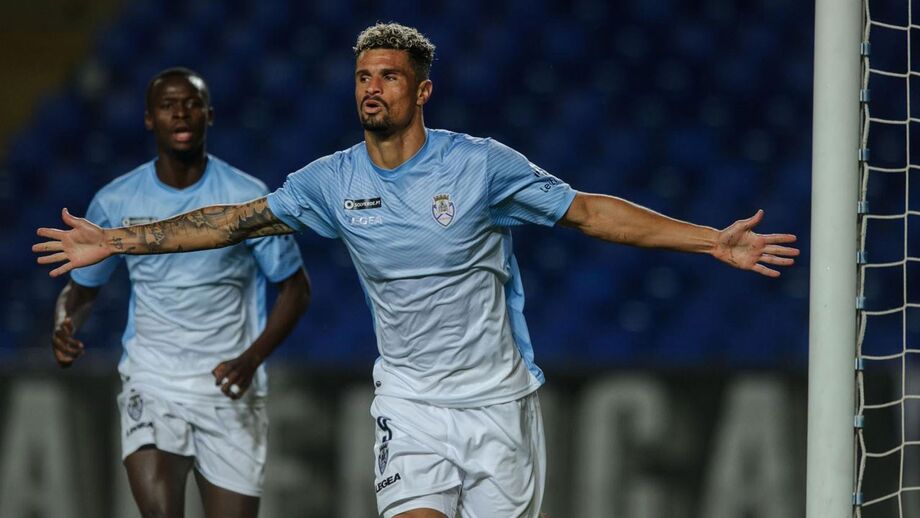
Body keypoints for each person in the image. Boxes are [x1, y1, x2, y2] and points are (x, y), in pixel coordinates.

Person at [34, 25, 798, 518]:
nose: (372, 86)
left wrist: (711, 242)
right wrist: (121, 241)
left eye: (389, 76)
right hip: (412, 405)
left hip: (499, 404)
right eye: (364, 75)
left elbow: (591, 212)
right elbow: (231, 221)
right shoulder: (328, 182)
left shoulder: (481, 166)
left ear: (421, 90)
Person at [48, 67, 311, 518]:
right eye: (168, 105)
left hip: (228, 386)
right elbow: (82, 290)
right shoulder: (115, 201)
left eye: (191, 103)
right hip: (153, 381)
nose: (181, 113)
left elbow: (295, 290)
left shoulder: (245, 196)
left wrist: (252, 358)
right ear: (150, 119)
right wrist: (65, 323)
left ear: (209, 115)